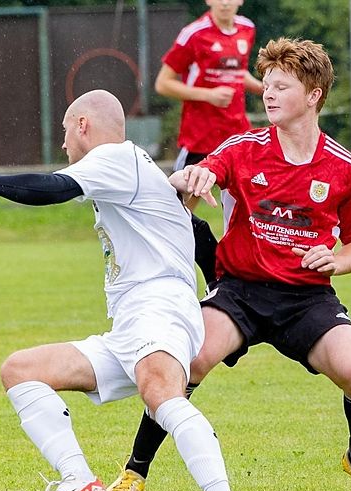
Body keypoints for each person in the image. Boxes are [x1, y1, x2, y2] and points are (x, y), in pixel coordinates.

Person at [105, 38, 351, 491]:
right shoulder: (243, 148)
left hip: (307, 298)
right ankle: (133, 473)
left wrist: (336, 260)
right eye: (266, 85)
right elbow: (208, 169)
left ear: (313, 95)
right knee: (185, 364)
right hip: (240, 293)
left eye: (281, 86)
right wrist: (196, 177)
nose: (268, 94)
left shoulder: (343, 167)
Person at [0, 89, 251, 491]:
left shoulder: (115, 158)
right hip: (132, 323)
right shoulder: (134, 167)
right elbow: (193, 228)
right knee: (20, 370)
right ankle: (79, 482)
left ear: (83, 125)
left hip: (158, 306)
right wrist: (218, 288)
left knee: (161, 393)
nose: (64, 144)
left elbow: (51, 188)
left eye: (66, 131)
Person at [154, 0, 264, 282]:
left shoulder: (247, 28)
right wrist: (208, 95)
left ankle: (238, 277)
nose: (225, 2)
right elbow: (163, 83)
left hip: (237, 138)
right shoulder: (194, 33)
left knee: (248, 211)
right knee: (177, 211)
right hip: (200, 139)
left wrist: (266, 88)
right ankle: (168, 271)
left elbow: (238, 73)